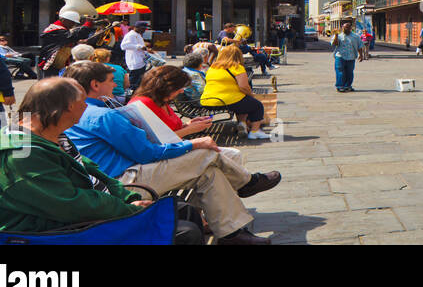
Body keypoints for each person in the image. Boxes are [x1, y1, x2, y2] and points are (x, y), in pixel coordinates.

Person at [63, 63, 276, 245]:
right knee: (204, 155)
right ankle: (246, 183)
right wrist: (191, 144)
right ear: (95, 85)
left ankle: (232, 232)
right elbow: (147, 153)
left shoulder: (83, 113)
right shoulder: (102, 116)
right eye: (111, 80)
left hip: (115, 178)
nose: (116, 84)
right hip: (125, 181)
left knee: (209, 173)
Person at [0, 78, 173, 236]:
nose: (87, 106)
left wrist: (130, 199)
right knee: (183, 229)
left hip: (85, 221)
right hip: (54, 235)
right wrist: (128, 210)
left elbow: (96, 175)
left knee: (182, 214)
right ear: (70, 106)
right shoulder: (19, 155)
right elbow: (71, 205)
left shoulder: (55, 136)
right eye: (83, 101)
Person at [128, 65, 220, 139]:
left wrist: (189, 124)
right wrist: (190, 130)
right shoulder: (143, 104)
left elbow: (168, 129)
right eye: (179, 87)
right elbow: (156, 141)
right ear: (166, 87)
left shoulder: (161, 100)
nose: (182, 91)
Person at [201, 45, 271, 139]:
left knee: (242, 101)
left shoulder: (212, 68)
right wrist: (252, 95)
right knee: (257, 105)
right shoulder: (237, 67)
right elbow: (244, 87)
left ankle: (242, 124)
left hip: (207, 101)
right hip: (226, 101)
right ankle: (255, 131)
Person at [36, 8, 95, 77]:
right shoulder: (56, 30)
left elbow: (68, 39)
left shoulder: (60, 29)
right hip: (52, 64)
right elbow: (73, 36)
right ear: (64, 20)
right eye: (72, 22)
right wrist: (87, 24)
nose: (73, 24)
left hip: (58, 64)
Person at [121, 20, 155, 89]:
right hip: (135, 62)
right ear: (137, 27)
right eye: (143, 29)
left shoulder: (138, 35)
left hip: (140, 62)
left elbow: (139, 46)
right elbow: (123, 46)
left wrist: (147, 50)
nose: (144, 31)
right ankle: (130, 96)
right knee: (133, 83)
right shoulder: (130, 35)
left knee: (139, 83)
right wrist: (140, 47)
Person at [331, 20, 363, 93]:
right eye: (344, 28)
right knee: (340, 71)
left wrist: (361, 55)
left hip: (351, 57)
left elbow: (359, 46)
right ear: (342, 28)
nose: (345, 29)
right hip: (340, 56)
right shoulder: (338, 36)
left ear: (350, 28)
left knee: (349, 72)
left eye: (347, 28)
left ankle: (348, 86)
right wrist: (336, 35)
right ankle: (340, 86)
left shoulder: (355, 36)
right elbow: (335, 44)